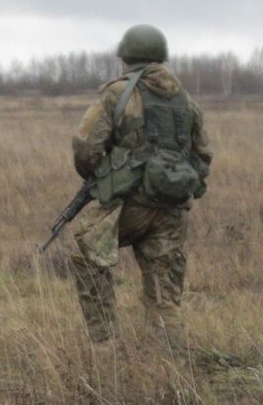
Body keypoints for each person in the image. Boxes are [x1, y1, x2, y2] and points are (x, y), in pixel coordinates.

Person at [69, 23, 212, 348]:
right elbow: (203, 155)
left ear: (127, 56)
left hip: (126, 206)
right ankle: (169, 362)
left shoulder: (118, 94)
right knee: (165, 290)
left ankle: (105, 346)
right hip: (172, 209)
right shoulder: (185, 101)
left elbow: (86, 147)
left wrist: (104, 177)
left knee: (87, 255)